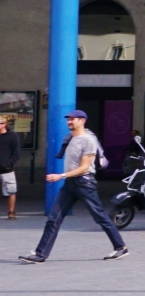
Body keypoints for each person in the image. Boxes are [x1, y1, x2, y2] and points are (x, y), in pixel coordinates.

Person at [21, 111, 129, 263]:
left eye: (72, 119)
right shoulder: (71, 138)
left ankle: (120, 247)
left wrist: (61, 176)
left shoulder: (88, 140)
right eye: (68, 119)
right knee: (53, 218)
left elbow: (85, 167)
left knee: (100, 217)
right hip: (70, 184)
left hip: (84, 183)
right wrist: (65, 178)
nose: (69, 122)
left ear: (82, 121)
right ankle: (40, 254)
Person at [0, 115, 20, 220]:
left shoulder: (12, 136)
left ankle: (11, 211)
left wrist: (9, 164)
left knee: (10, 191)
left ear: (4, 124)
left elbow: (16, 153)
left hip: (7, 169)